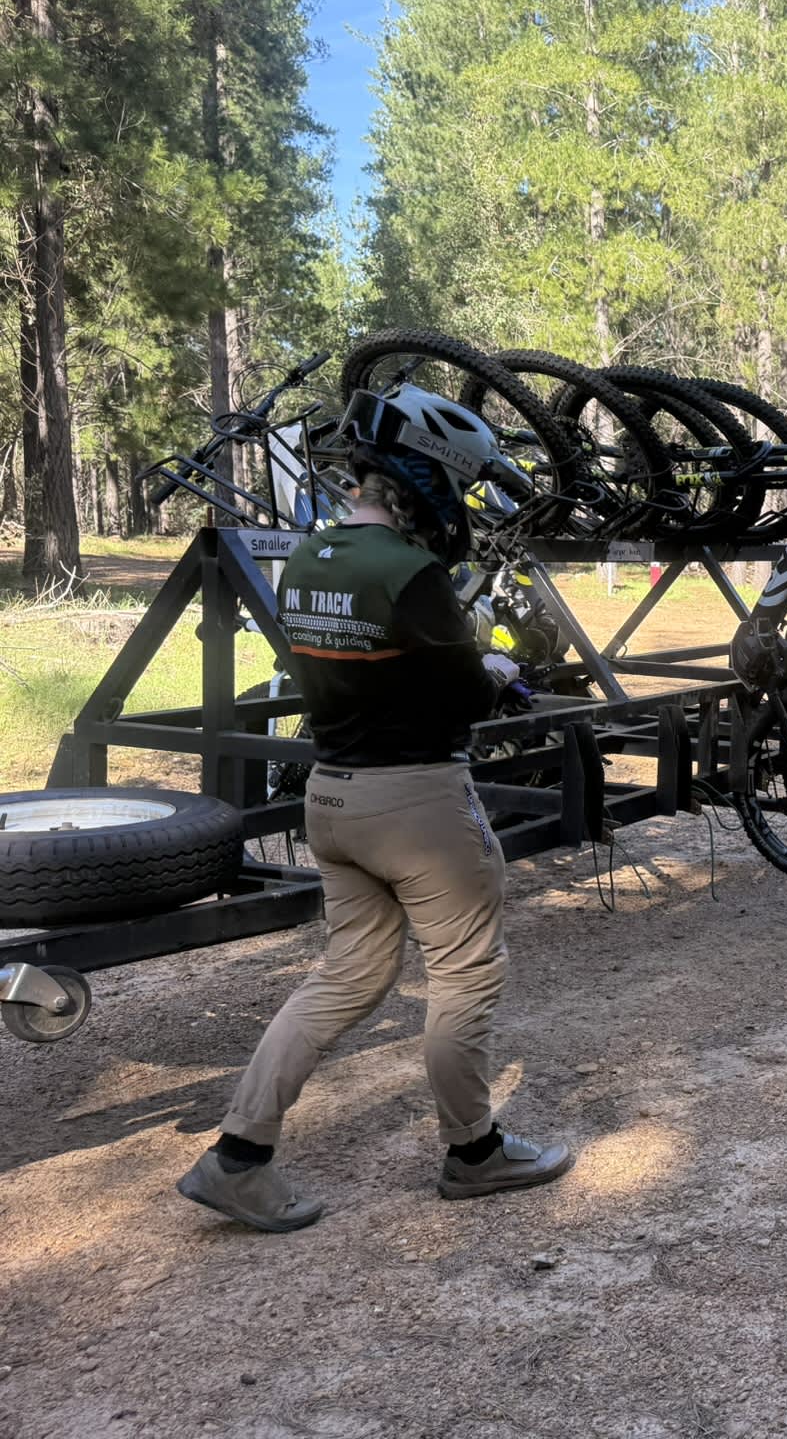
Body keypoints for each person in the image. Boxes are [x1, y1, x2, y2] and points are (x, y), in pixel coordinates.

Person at [178, 382, 574, 1232]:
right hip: (418, 802)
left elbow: (353, 663)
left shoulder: (313, 556)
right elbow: (463, 692)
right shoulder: (415, 572)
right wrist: (496, 671)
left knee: (345, 977)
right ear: (422, 476)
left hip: (333, 796)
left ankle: (238, 1156)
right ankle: (475, 1153)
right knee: (466, 973)